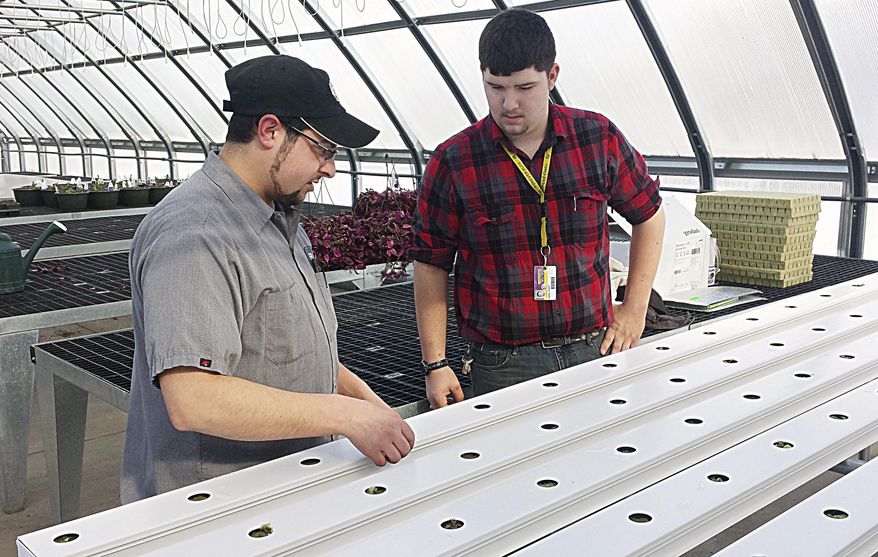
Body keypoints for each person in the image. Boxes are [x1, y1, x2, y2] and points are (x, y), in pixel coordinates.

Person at [121, 55, 415, 503]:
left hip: (284, 488)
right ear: (270, 131)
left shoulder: (279, 218)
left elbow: (288, 350)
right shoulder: (195, 234)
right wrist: (343, 416)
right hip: (218, 507)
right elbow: (193, 398)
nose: (331, 169)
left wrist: (365, 402)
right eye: (324, 149)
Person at [412, 9, 666, 409]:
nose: (508, 103)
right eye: (494, 87)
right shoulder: (455, 161)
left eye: (524, 87)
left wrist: (634, 310)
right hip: (502, 361)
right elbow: (431, 263)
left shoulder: (598, 138)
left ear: (552, 77)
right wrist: (435, 363)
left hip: (594, 347)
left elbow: (649, 215)